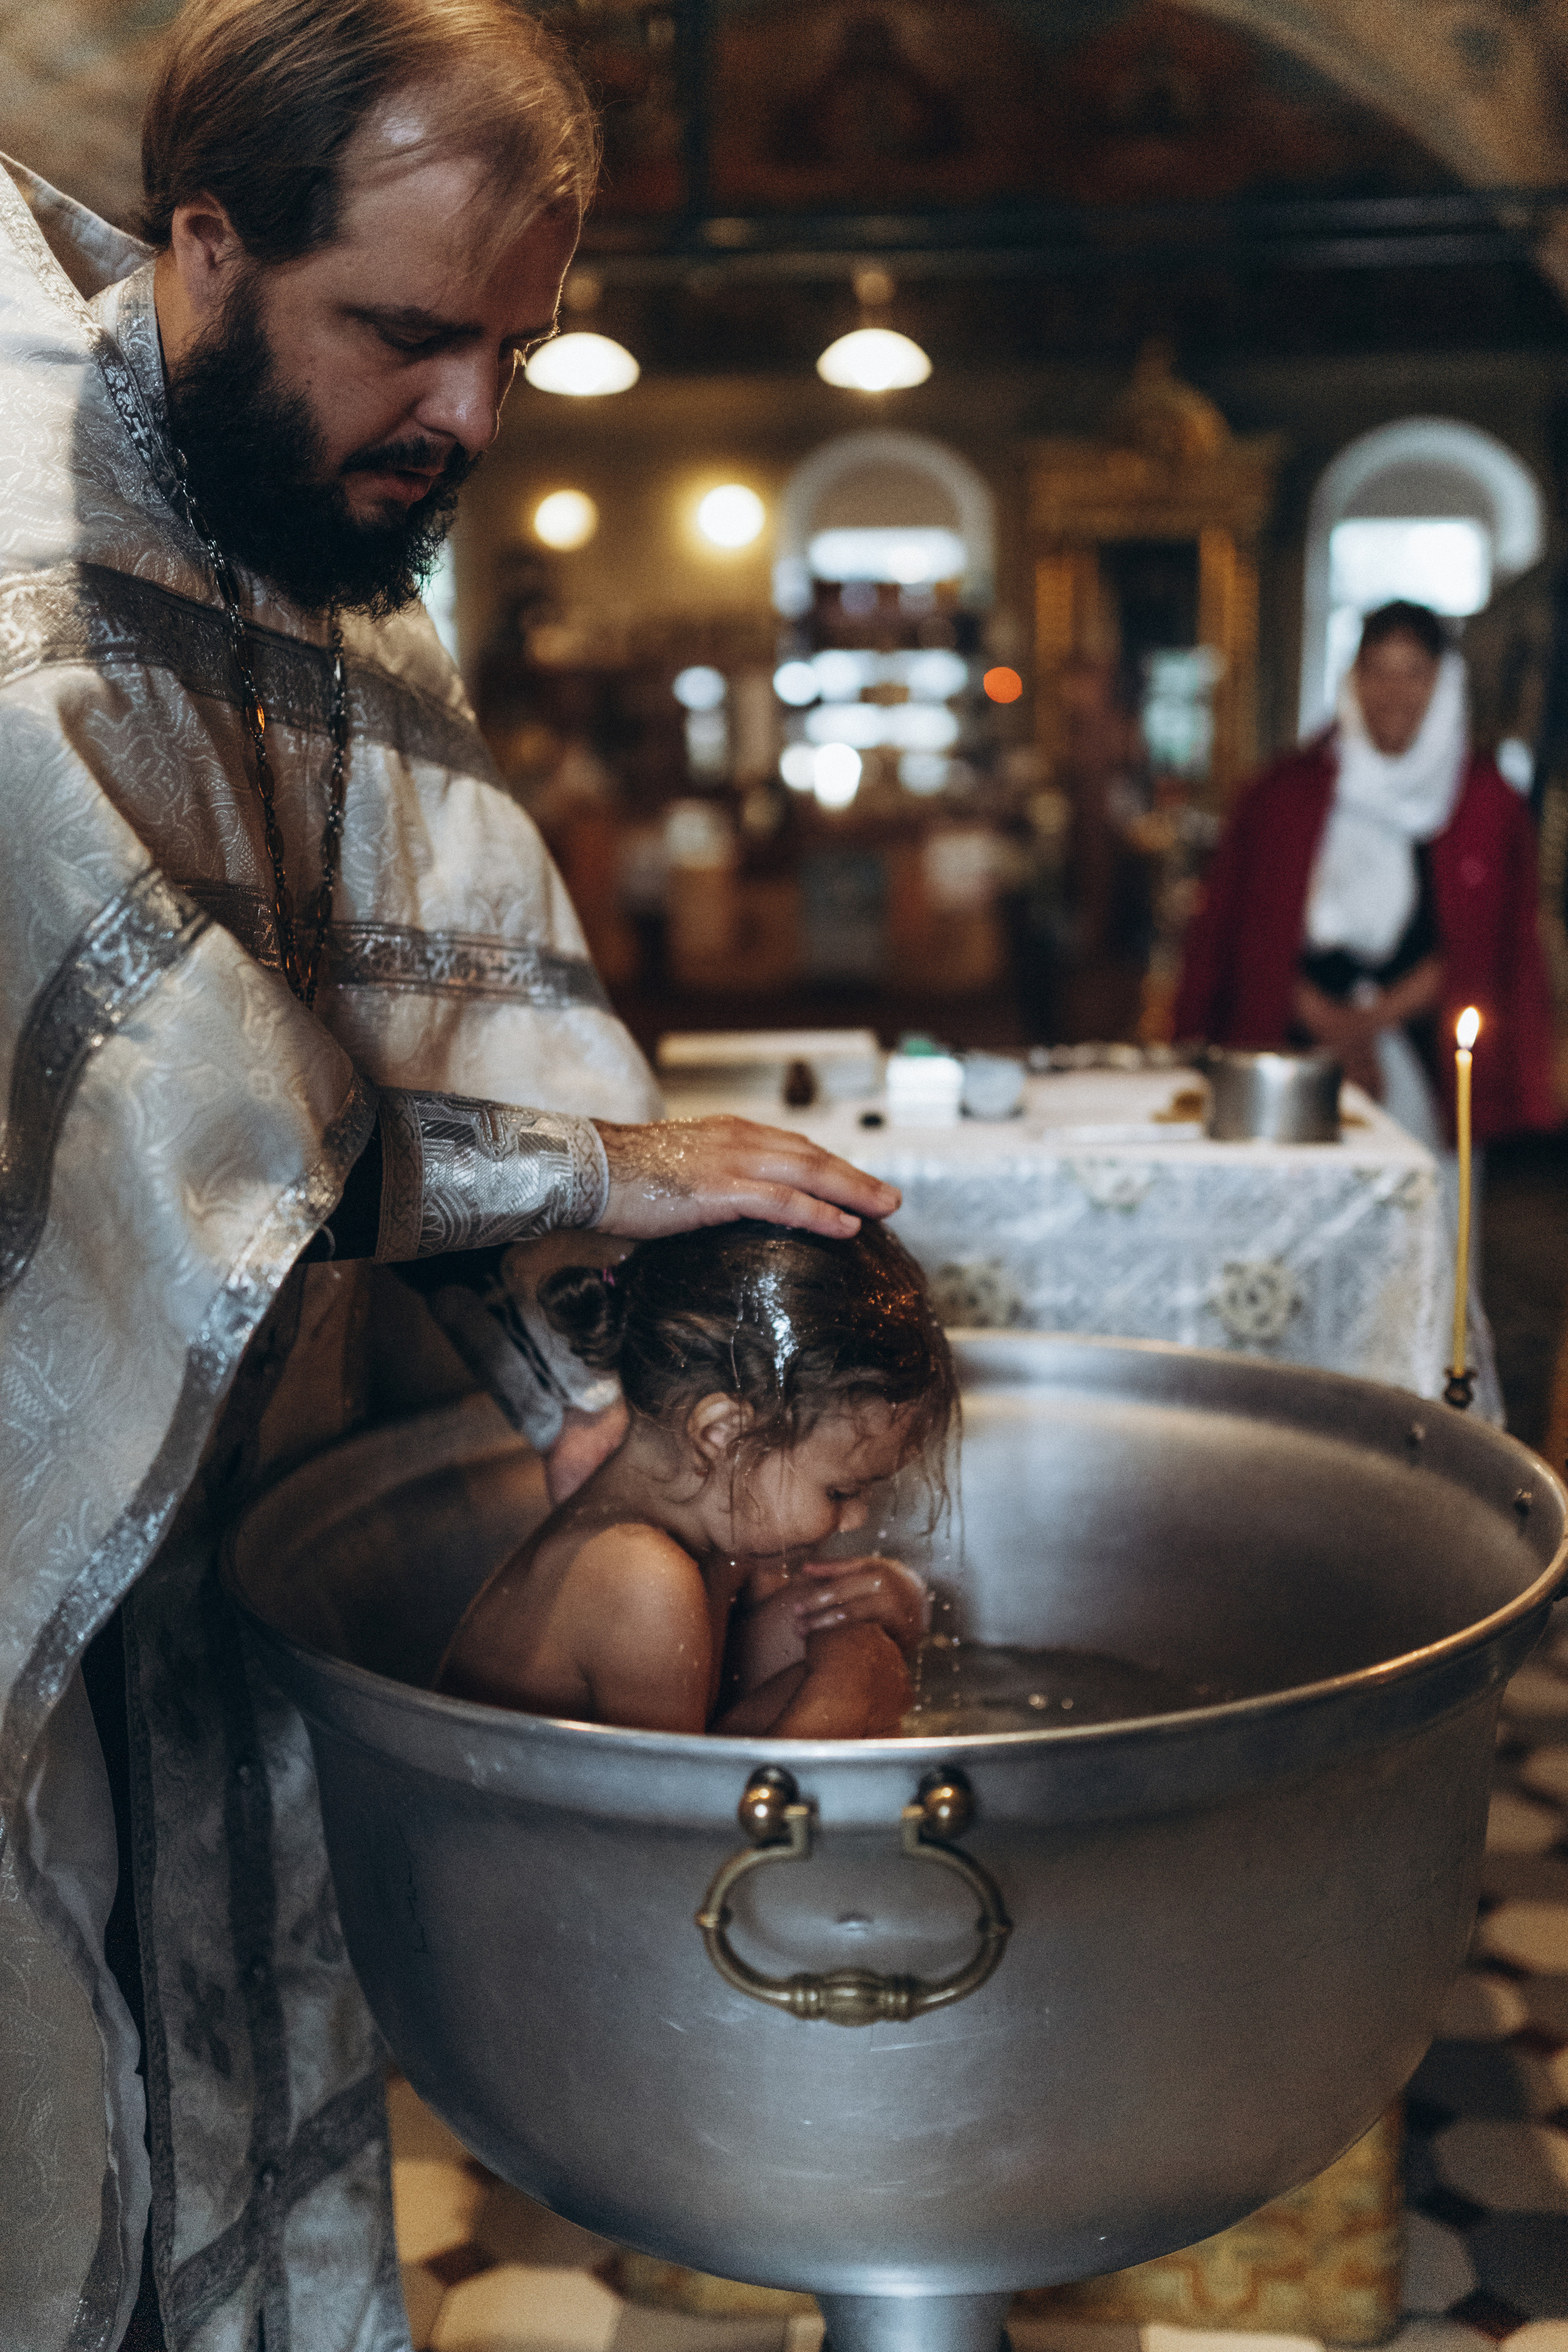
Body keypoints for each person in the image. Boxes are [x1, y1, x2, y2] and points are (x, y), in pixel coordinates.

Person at [0, 6, 902, 2347]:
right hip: (42, 1562)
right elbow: (152, 1122)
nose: (476, 417)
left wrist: (613, 1410)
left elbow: (440, 996)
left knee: (251, 2118)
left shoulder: (326, 533)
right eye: (410, 332)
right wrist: (591, 1169)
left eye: (517, 344)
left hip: (242, 1546)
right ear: (210, 245)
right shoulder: (23, 566)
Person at [1174, 599, 1557, 1415]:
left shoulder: (1482, 797)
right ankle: (1286, 1405)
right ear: (1352, 678)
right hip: (1292, 1039)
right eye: (1377, 671)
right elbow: (1247, 926)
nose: (1394, 693)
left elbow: (1485, 941)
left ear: (1441, 684)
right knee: (1287, 1230)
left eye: (1413, 673)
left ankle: (1418, 1407)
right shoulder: (1285, 789)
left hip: (1418, 1044)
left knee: (1419, 1235)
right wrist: (1322, 1019)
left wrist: (1370, 1024)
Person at [437, 1221, 951, 1738]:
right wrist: (842, 1699)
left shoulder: (717, 1520)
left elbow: (792, 1631)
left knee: (851, 1637)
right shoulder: (640, 1575)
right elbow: (678, 1790)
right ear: (723, 1434)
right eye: (840, 1492)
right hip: (505, 1794)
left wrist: (899, 1603)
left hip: (623, 1784)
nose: (857, 1518)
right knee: (855, 1675)